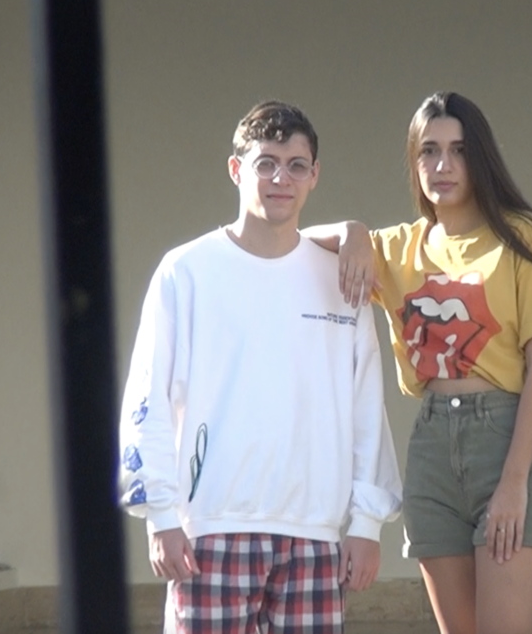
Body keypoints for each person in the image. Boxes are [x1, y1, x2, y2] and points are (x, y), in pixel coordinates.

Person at [118, 100, 403, 634]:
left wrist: (367, 522)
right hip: (209, 533)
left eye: (296, 165)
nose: (280, 178)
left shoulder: (342, 280)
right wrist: (159, 514)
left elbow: (367, 406)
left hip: (315, 539)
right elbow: (147, 396)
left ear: (314, 175)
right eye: (265, 163)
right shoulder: (186, 272)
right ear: (236, 169)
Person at [303, 91, 532, 634]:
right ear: (415, 161)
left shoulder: (521, 236)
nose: (442, 165)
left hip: (505, 440)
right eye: (429, 151)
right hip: (431, 448)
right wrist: (353, 230)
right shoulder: (397, 248)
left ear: (481, 158)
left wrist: (514, 482)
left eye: (458, 150)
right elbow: (293, 244)